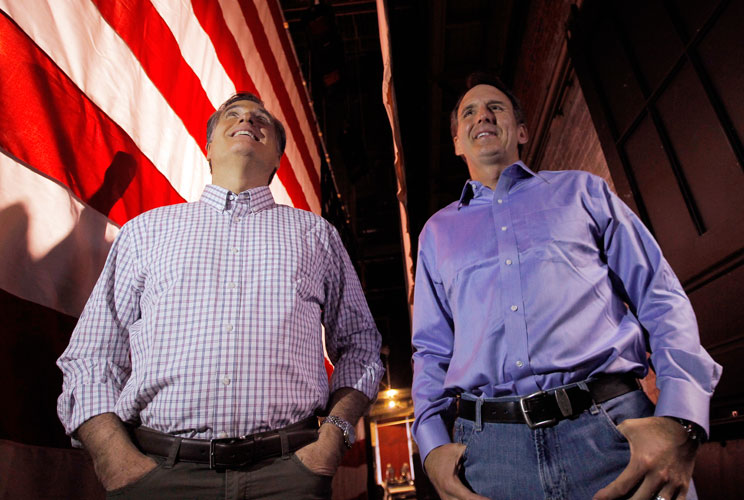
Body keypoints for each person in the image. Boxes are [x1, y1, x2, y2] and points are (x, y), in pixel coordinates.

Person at [410, 73, 722, 500]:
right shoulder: (436, 235)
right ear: (457, 144)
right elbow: (430, 351)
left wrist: (680, 420)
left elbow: (660, 296)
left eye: (495, 107)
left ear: (521, 131)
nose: (482, 114)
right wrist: (431, 447)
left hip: (614, 435)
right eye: (468, 112)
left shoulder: (583, 191)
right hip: (491, 459)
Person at [57, 92, 384, 499]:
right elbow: (92, 355)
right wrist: (114, 459)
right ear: (208, 148)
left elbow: (360, 345)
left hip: (288, 476)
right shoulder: (145, 232)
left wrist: (333, 437)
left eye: (261, 118)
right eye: (233, 114)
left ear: (278, 156)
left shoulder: (317, 235)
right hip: (157, 475)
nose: (248, 119)